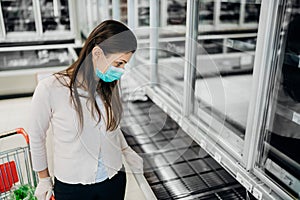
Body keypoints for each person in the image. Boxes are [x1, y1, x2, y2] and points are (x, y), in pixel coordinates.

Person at [28, 20, 143, 200]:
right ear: (97, 53)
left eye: (124, 65)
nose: (121, 71)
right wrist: (43, 178)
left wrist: (125, 149)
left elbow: (109, 126)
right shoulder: (50, 88)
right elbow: (36, 137)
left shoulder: (107, 85)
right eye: (119, 63)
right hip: (73, 187)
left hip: (113, 181)